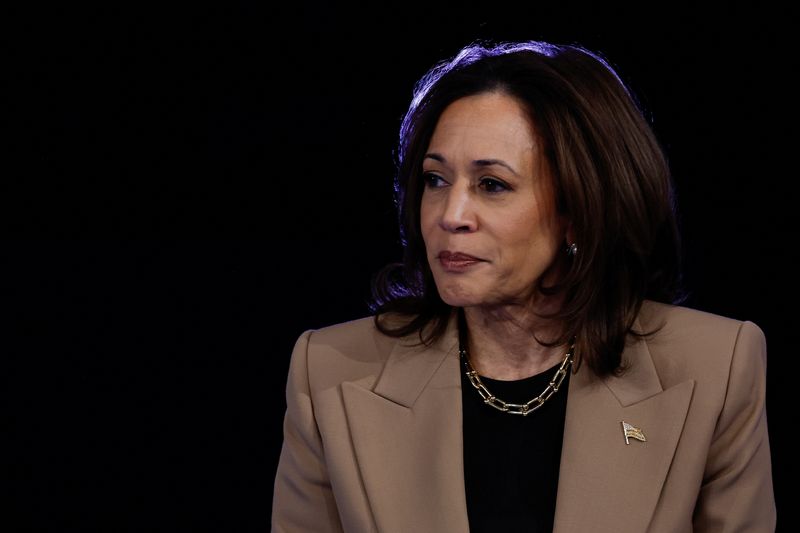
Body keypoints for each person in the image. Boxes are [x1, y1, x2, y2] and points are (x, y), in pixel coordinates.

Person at [271, 40, 776, 533]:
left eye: (492, 185)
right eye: (435, 180)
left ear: (579, 212)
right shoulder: (328, 373)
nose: (451, 216)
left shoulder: (716, 367)